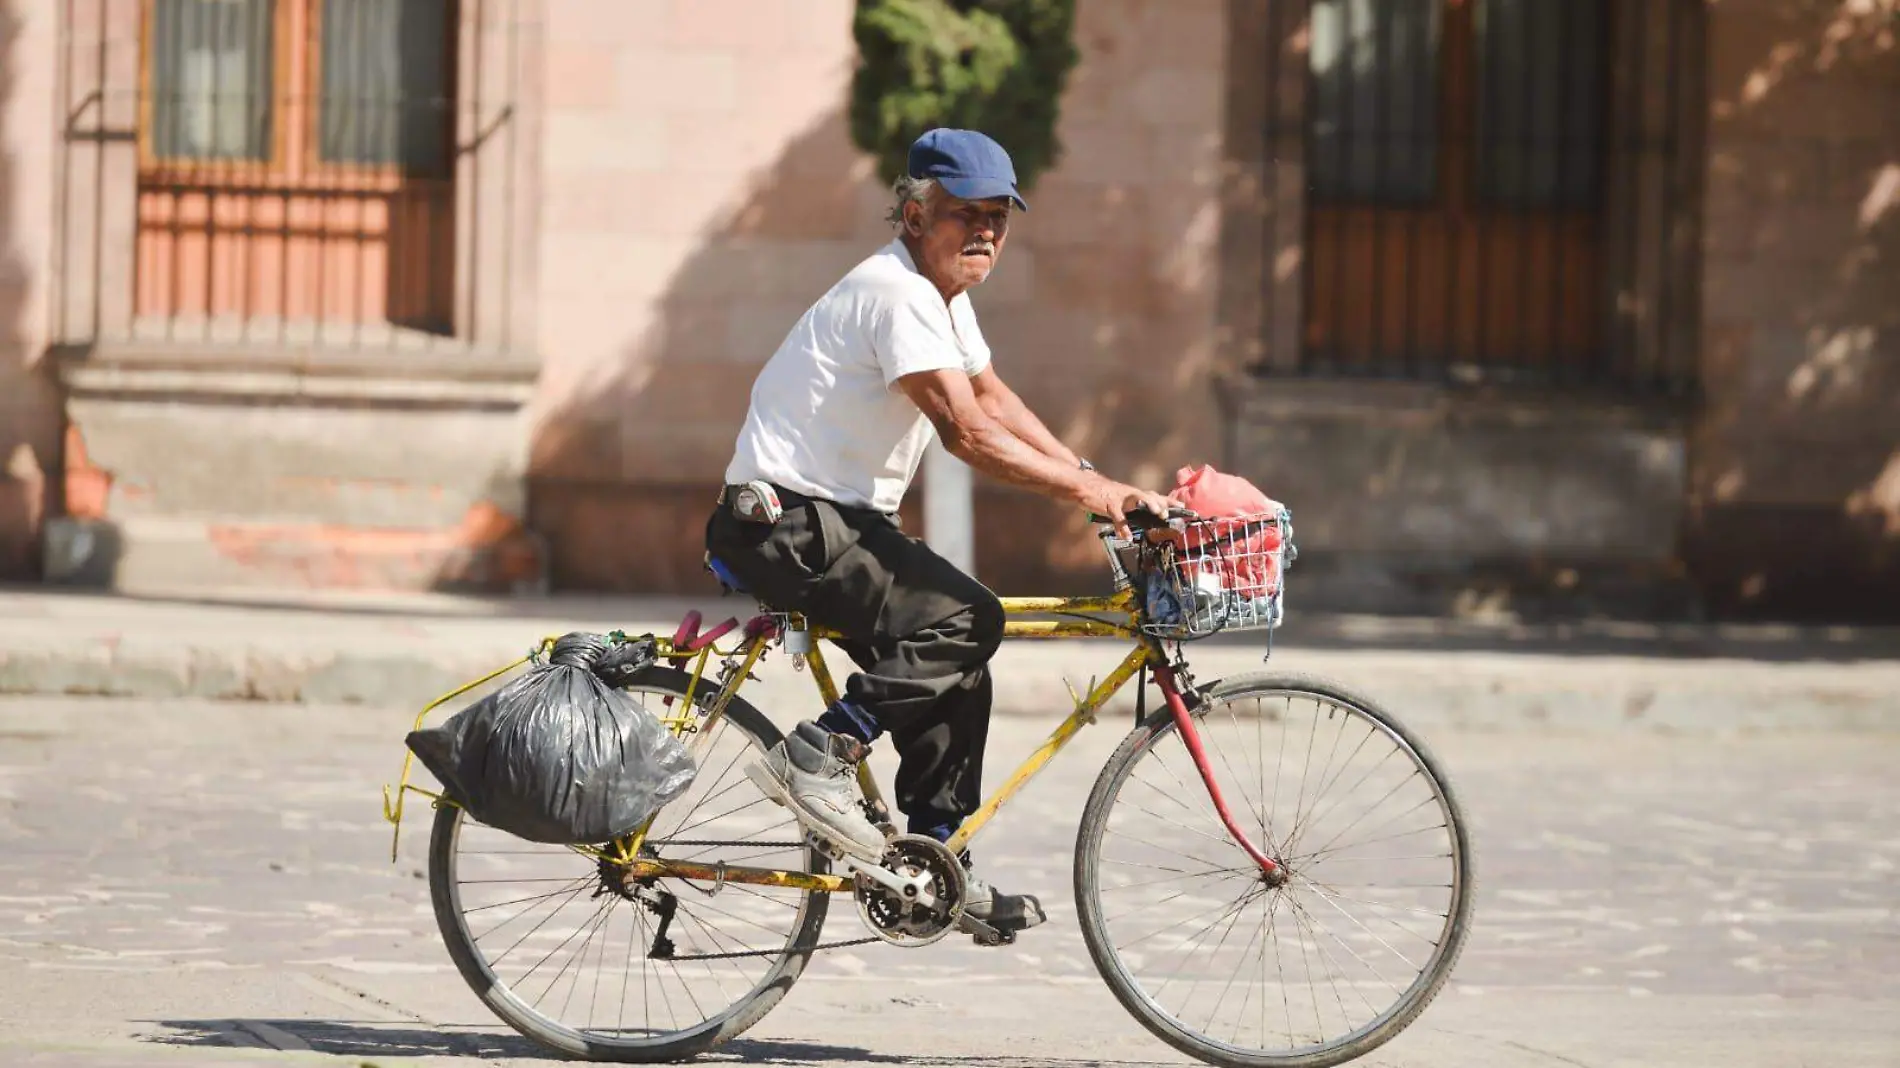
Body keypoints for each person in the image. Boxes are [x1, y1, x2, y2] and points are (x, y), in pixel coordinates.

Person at [704, 128, 1177, 940]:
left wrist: (1094, 483)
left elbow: (991, 396)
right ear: (916, 213)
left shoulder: (941, 300)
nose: (986, 230)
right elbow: (964, 432)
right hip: (788, 524)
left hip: (828, 523)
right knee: (969, 617)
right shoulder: (897, 295)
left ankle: (933, 862)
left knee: (960, 669)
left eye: (999, 215)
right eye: (967, 214)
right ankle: (818, 754)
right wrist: (1091, 489)